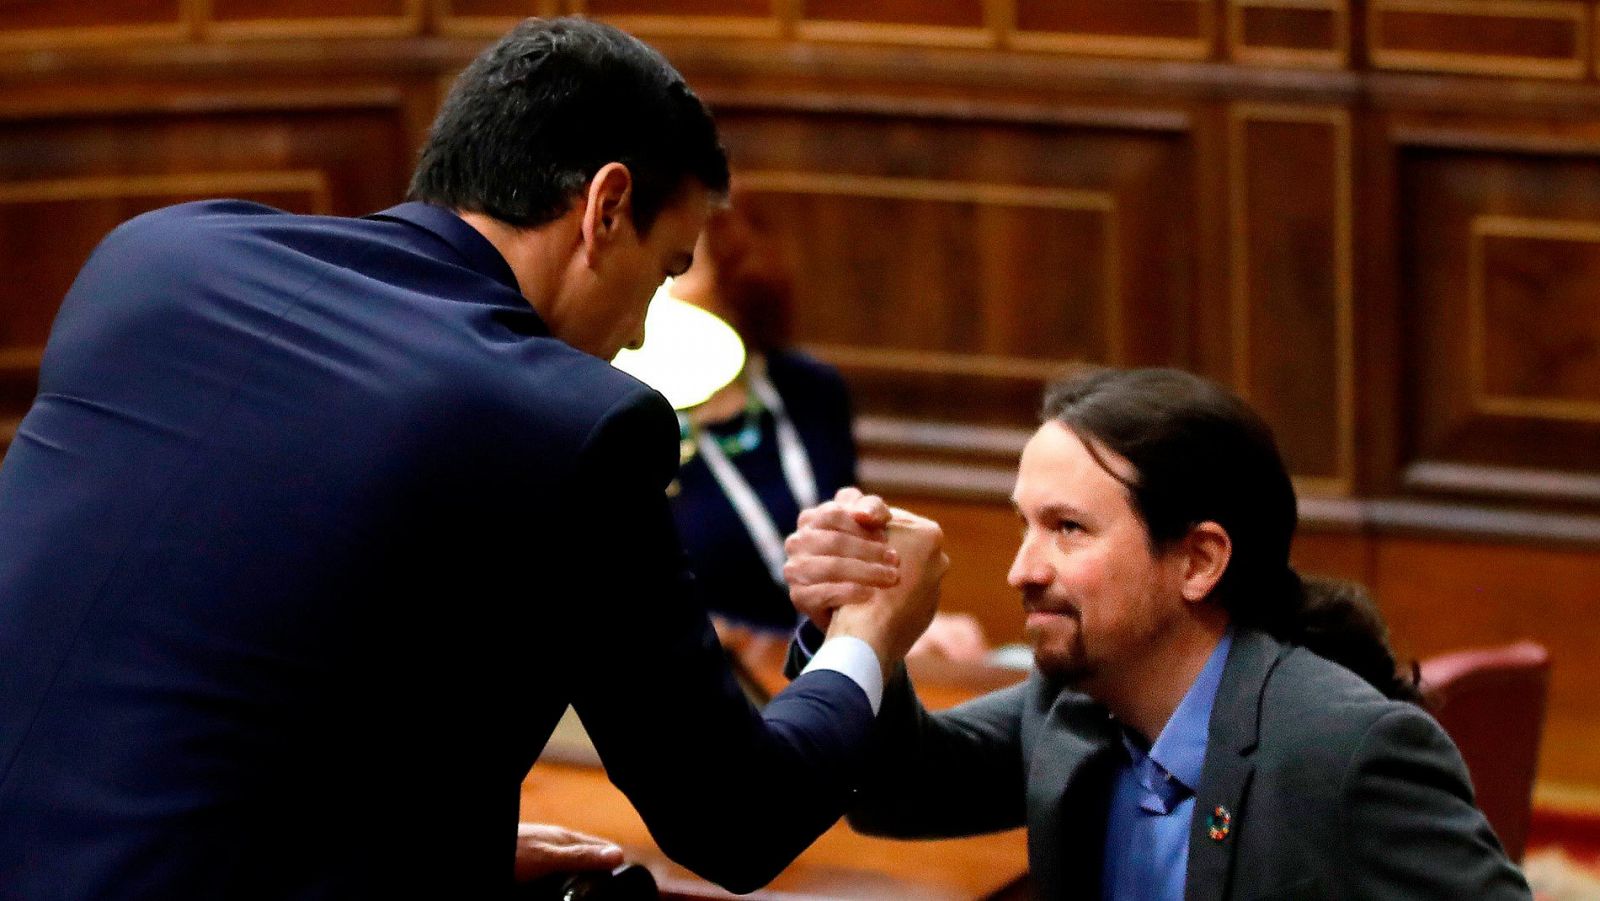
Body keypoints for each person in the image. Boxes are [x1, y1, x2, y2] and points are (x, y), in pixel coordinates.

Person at [0, 18, 939, 899]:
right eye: (663, 271)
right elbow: (734, 817)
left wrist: (432, 844)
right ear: (605, 207)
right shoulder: (573, 422)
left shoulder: (153, 262)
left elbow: (209, 684)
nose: (643, 331)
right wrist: (868, 634)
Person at [783, 367, 1532, 900]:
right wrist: (858, 626)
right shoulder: (1070, 707)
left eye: (1068, 529)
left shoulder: (1345, 752)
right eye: (1026, 524)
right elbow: (897, 791)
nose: (1021, 570)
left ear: (1199, 560)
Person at [666, 200, 988, 659]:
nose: (659, 293)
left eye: (679, 265)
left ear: (734, 273)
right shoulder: (629, 422)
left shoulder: (808, 389)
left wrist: (907, 626)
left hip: (834, 653)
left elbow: (857, 549)